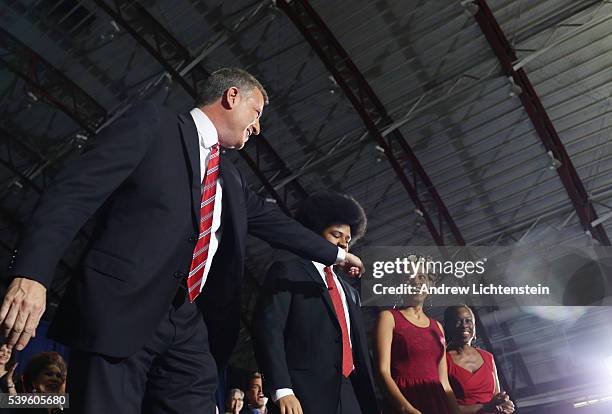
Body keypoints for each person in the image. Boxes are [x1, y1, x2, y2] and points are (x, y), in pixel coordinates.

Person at [0, 67, 364, 414]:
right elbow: (71, 195)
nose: (258, 126)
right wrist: (33, 274)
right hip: (121, 307)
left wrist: (335, 254)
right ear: (231, 96)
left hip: (187, 321)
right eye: (256, 112)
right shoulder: (153, 125)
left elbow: (276, 224)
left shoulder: (231, 180)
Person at [254, 192, 379, 414]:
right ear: (313, 234)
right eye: (336, 234)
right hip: (303, 396)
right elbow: (269, 331)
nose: (343, 243)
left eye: (348, 240)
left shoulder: (349, 291)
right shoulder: (288, 271)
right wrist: (283, 389)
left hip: (351, 393)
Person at [375, 256, 460, 414]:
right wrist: (407, 409)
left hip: (438, 403)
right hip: (405, 400)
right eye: (409, 276)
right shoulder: (388, 318)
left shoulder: (438, 327)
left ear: (430, 283)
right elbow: (382, 372)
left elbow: (444, 381)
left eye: (422, 276)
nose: (416, 281)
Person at [444, 305, 515, 414]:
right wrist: (486, 406)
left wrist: (505, 405)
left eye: (468, 321)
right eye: (458, 321)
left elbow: (496, 397)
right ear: (449, 327)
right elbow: (446, 408)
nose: (464, 326)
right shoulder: (443, 361)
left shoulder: (488, 357)